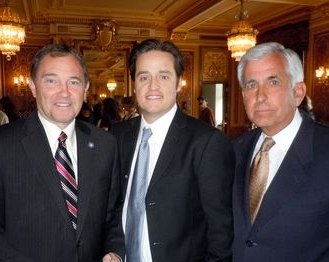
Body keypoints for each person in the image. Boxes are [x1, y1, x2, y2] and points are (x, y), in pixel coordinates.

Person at [0, 43, 124, 262]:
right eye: (51, 80)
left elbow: (113, 214)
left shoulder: (105, 144)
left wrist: (114, 251)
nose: (64, 92)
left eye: (73, 82)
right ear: (33, 86)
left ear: (85, 88)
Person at [111, 39, 235, 261]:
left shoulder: (206, 142)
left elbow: (221, 231)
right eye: (144, 76)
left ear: (179, 83)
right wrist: (114, 249)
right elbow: (114, 207)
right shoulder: (117, 136)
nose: (153, 86)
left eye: (164, 76)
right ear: (134, 84)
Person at [233, 42, 329, 262]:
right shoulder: (233, 150)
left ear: (298, 92)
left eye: (273, 82)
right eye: (251, 85)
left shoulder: (324, 150)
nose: (260, 96)